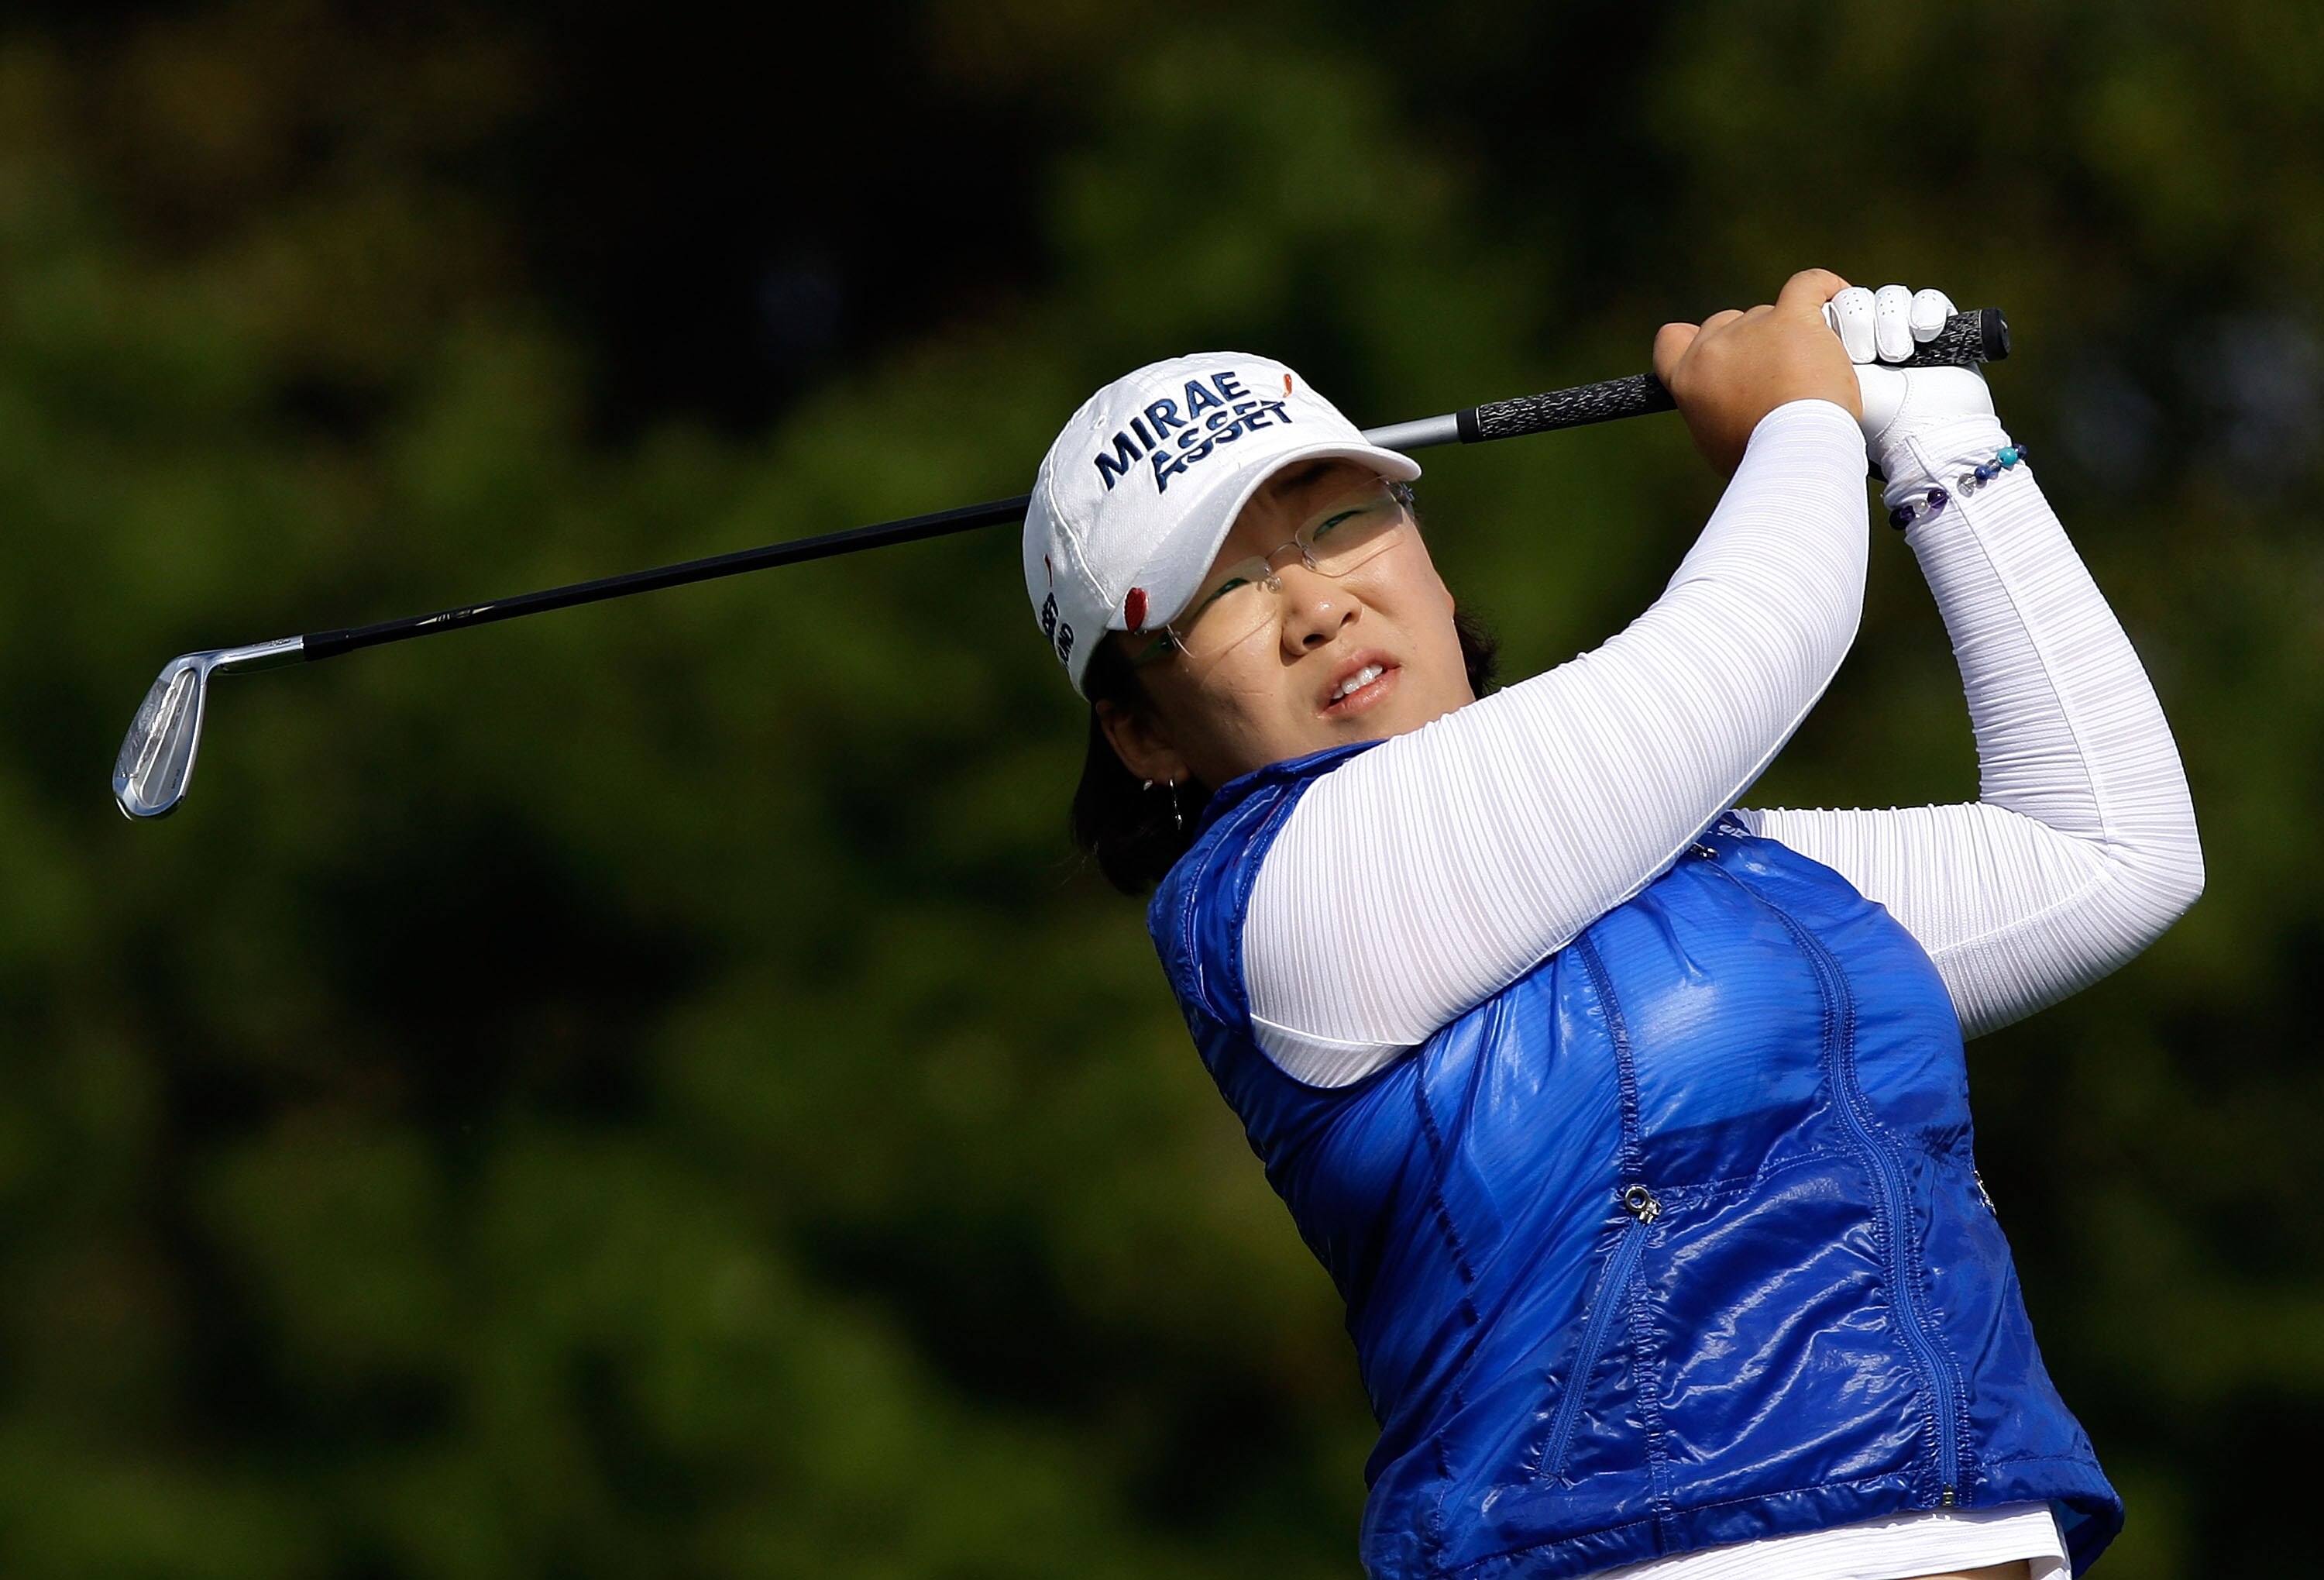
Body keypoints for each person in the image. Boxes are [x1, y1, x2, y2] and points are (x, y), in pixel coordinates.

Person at [1022, 270, 2202, 1580]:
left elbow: (2108, 852)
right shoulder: (1285, 902)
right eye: (1223, 592)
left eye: (1340, 520)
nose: (1315, 605)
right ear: (1139, 731)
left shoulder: (1700, 861)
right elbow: (1760, 634)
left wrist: (1937, 434)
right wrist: (1800, 421)